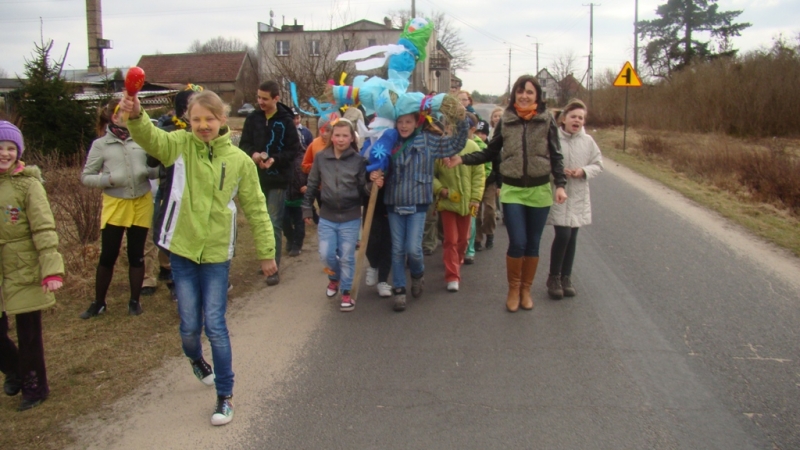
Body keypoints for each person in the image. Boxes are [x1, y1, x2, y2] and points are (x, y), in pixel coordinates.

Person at [120, 90, 278, 426]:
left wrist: (267, 252)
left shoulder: (238, 161)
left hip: (218, 254)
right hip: (182, 251)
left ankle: (225, 395)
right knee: (190, 326)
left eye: (210, 119)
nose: (203, 125)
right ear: (187, 121)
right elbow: (151, 138)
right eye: (196, 119)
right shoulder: (179, 145)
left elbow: (256, 207)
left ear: (222, 120)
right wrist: (135, 115)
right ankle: (195, 358)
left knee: (216, 325)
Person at [446, 74, 567, 313]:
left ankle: (526, 289)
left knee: (533, 244)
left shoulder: (547, 120)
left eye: (529, 92)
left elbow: (556, 154)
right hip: (512, 191)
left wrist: (560, 184)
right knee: (518, 242)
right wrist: (462, 158)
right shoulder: (507, 120)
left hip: (540, 189)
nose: (524, 96)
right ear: (514, 95)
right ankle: (513, 288)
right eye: (520, 92)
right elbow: (490, 152)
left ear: (537, 96)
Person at [0, 121, 64, 411]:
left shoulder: (28, 184)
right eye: (0, 148)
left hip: (24, 266)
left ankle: (35, 387)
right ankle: (14, 369)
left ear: (19, 151)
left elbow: (44, 229)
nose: (4, 153)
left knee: (28, 334)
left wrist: (51, 269)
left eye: (10, 148)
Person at [379, 106, 468, 312]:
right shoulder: (390, 140)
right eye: (400, 121)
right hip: (394, 202)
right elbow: (376, 161)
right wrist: (375, 173)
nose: (403, 126)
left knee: (413, 249)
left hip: (418, 202)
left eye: (408, 121)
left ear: (417, 122)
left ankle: (418, 274)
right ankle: (400, 289)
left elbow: (455, 144)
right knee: (398, 249)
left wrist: (461, 119)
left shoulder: (427, 140)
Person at [80, 99, 157, 318]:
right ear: (114, 117)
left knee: (137, 254)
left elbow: (153, 170)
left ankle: (134, 301)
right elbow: (86, 177)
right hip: (115, 203)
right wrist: (109, 179)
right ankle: (99, 302)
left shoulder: (143, 141)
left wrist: (153, 172)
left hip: (141, 201)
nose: (129, 116)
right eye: (124, 112)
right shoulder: (101, 145)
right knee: (108, 254)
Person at [302, 119, 379, 311]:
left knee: (346, 256)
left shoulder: (358, 161)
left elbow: (363, 189)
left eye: (345, 135)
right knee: (326, 255)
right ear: (330, 136)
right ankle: (334, 277)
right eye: (337, 135)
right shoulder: (321, 158)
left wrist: (374, 184)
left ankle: (346, 293)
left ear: (352, 137)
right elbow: (312, 185)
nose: (341, 139)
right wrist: (306, 209)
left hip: (350, 216)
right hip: (327, 215)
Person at [239, 81, 300, 286]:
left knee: (273, 220)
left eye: (265, 98)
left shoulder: (286, 121)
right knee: (260, 221)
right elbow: (244, 145)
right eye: (258, 98)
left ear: (276, 98)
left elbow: (293, 150)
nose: (260, 102)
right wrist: (254, 154)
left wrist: (275, 159)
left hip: (279, 179)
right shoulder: (253, 119)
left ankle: (273, 267)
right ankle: (266, 258)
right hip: (256, 178)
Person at [546, 99, 603, 299]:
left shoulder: (588, 141)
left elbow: (598, 164)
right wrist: (557, 173)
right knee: (563, 235)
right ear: (564, 118)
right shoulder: (554, 138)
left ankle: (566, 277)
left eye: (580, 117)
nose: (577, 120)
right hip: (559, 193)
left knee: (573, 237)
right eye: (573, 116)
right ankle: (553, 277)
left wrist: (582, 171)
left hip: (578, 194)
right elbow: (545, 161)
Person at [433, 113, 484, 292]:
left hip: (467, 202)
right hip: (448, 202)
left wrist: (476, 198)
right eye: (451, 126)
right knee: (451, 240)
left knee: (464, 239)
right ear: (446, 127)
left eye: (459, 126)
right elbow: (431, 175)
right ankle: (452, 275)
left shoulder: (472, 146)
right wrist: (441, 190)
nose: (454, 129)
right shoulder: (439, 147)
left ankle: (457, 259)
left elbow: (479, 174)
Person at [473, 120, 501, 252]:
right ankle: (477, 239)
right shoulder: (473, 146)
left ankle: (489, 233)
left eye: (482, 133)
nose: (479, 136)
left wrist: (499, 185)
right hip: (476, 184)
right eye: (477, 132)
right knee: (476, 212)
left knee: (490, 210)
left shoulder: (492, 148)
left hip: (490, 182)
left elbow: (498, 166)